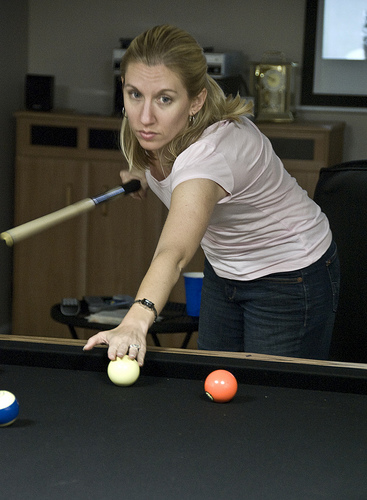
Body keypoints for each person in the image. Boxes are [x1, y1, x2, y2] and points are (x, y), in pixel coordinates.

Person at [84, 25, 340, 365]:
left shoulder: (209, 155)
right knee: (215, 384)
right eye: (135, 94)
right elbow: (167, 165)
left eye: (164, 98)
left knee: (272, 404)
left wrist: (134, 321)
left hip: (290, 274)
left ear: (196, 99)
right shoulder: (159, 133)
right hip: (224, 270)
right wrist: (144, 175)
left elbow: (174, 252)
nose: (145, 116)